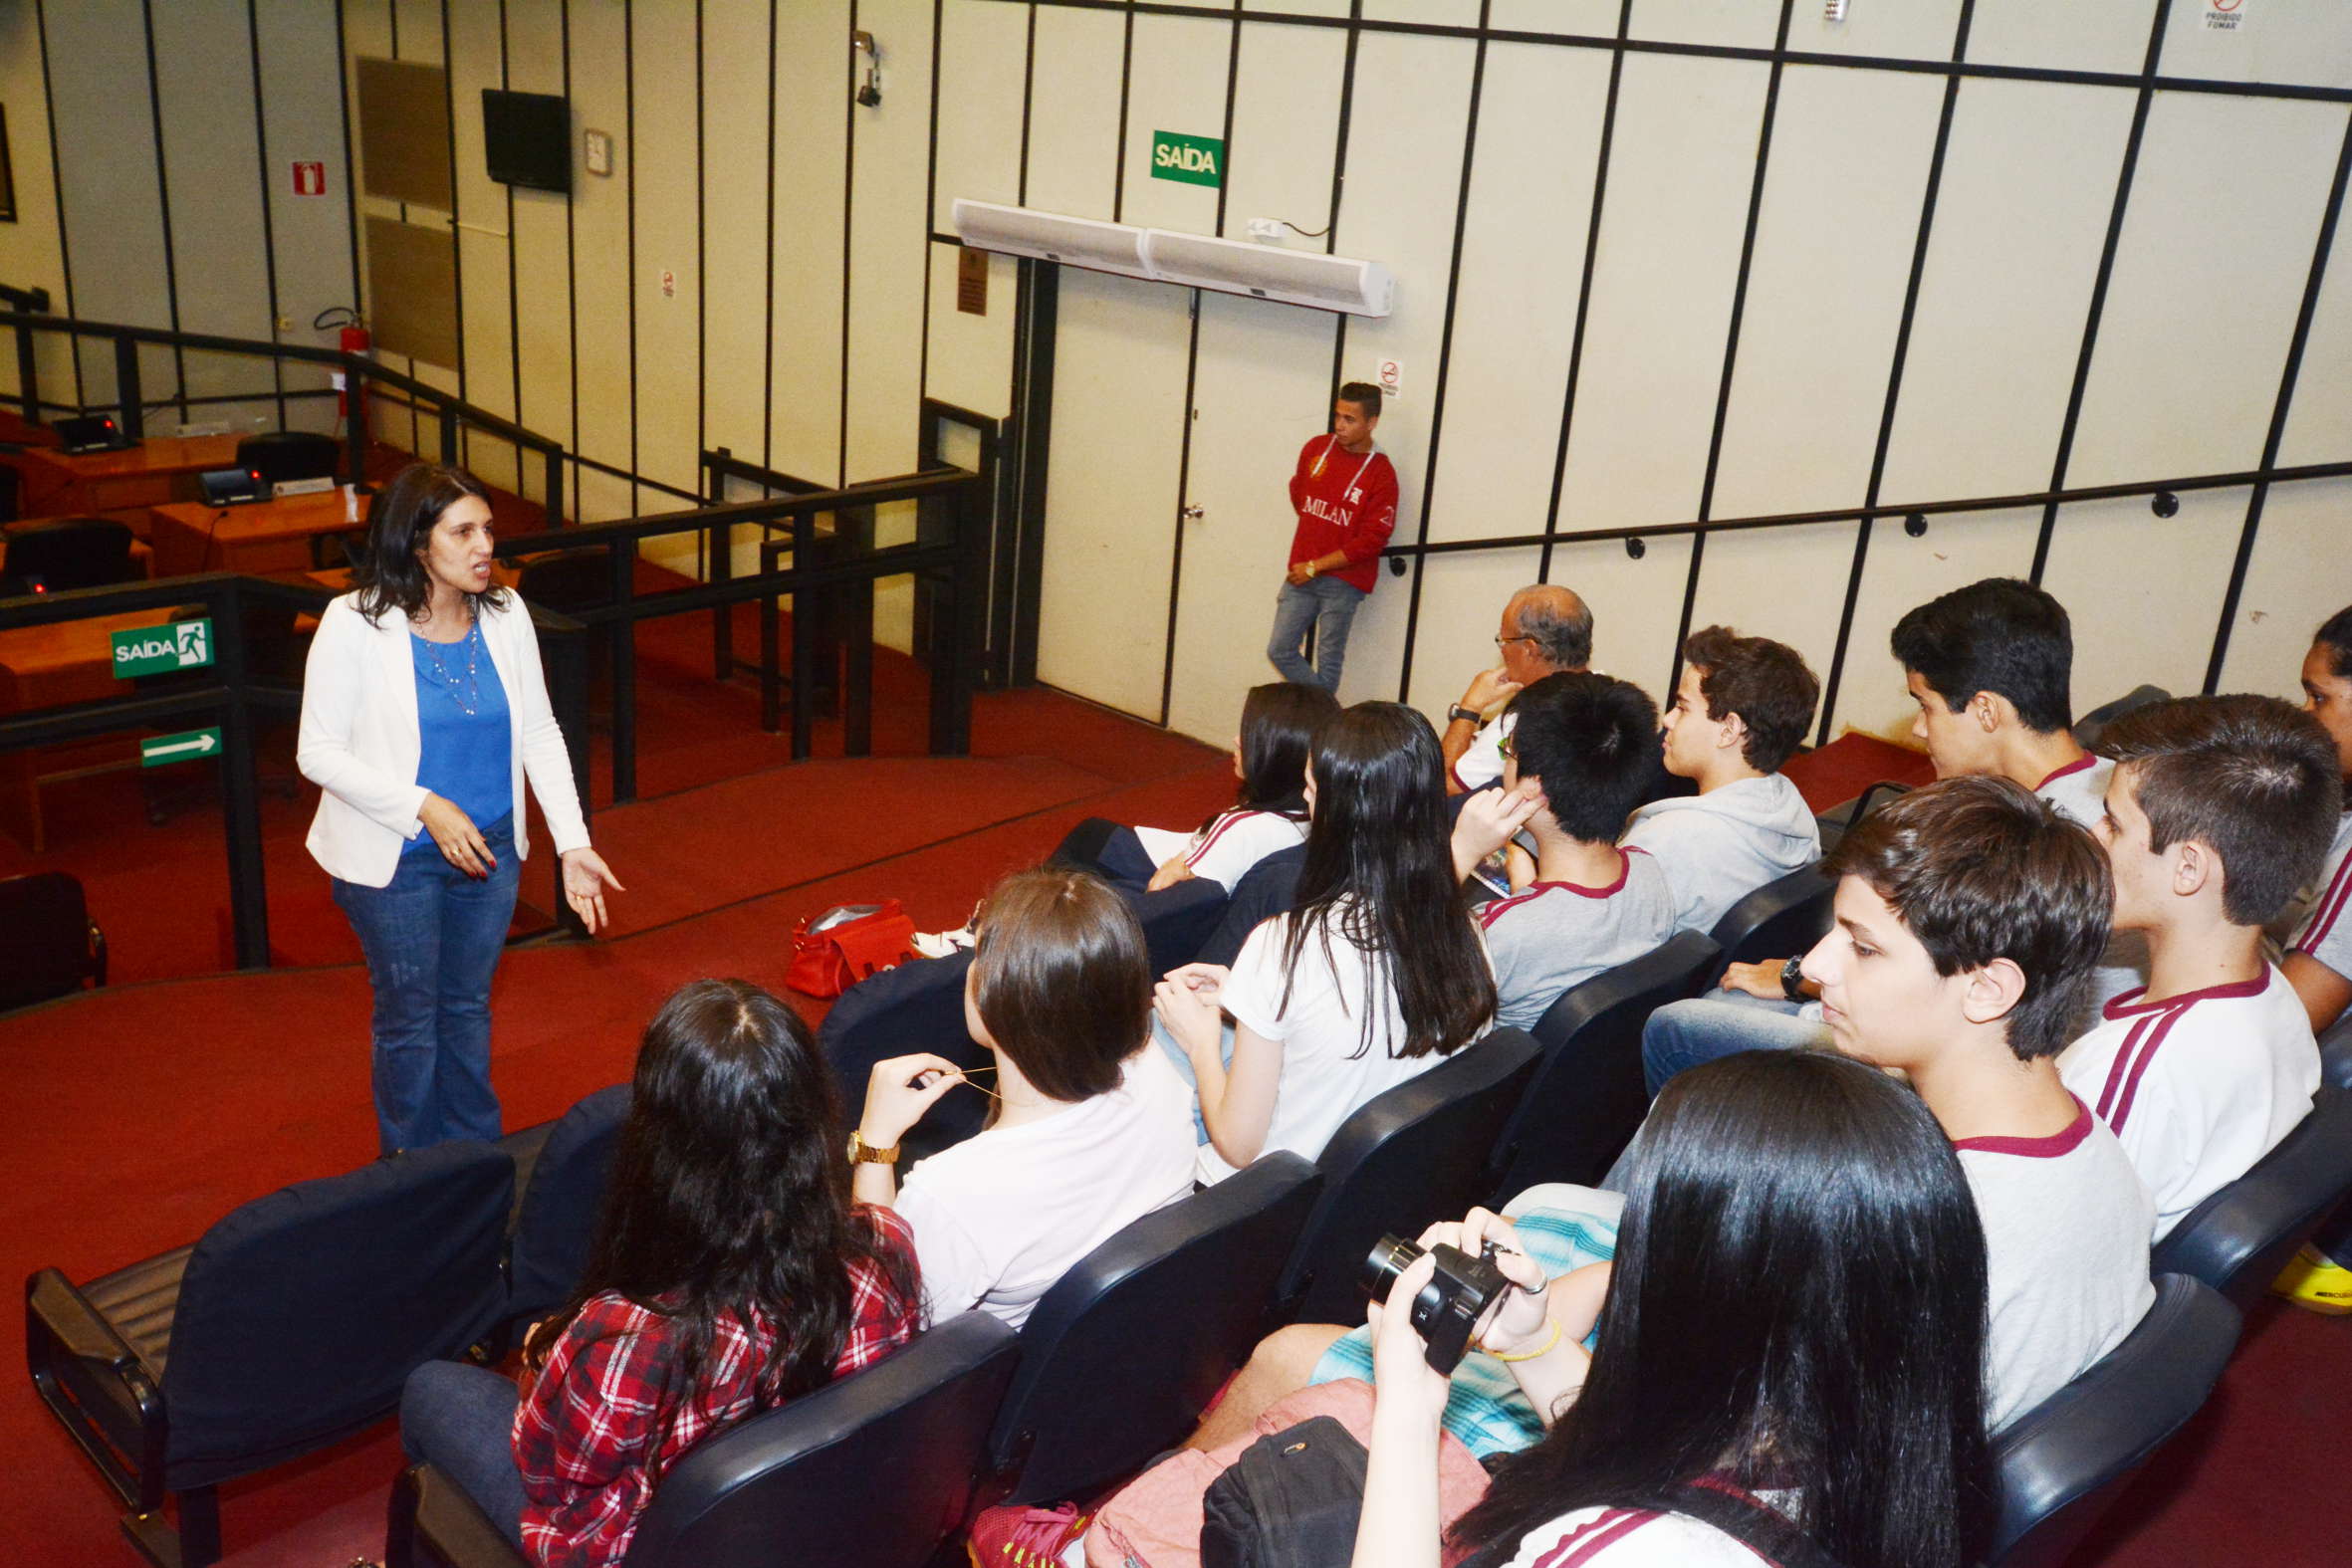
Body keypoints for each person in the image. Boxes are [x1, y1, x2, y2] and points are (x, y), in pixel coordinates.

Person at [1201, 777, 2149, 1456]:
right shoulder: (2076, 1138)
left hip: (1694, 1485)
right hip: (1773, 1420)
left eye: (1862, 947)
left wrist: (1532, 1344)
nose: (1814, 968)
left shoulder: (1899, 1233)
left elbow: (1690, 1477)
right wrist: (1549, 1307)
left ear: (1989, 987)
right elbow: (1718, 1273)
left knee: (1292, 1359)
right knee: (1538, 1224)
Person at [1349, 1051, 1995, 1568]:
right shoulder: (1881, 1456)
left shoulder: (1632, 1550)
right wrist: (1533, 1338)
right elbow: (1662, 1450)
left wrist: (1407, 1405)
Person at [396, 980, 922, 1567]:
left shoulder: (627, 1337)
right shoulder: (885, 1245)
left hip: (649, 1550)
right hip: (798, 1527)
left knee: (432, 1388)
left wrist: (545, 1363)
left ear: (662, 1139)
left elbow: (552, 1478)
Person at [1639, 576, 2137, 1094]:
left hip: (1972, 1072)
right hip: (1977, 1042)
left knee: (1677, 1028)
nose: (1919, 730)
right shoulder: (2104, 784)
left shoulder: (2045, 841)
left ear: (1987, 710)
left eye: (1926, 706)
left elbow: (1949, 1010)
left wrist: (1798, 982)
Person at [297, 463, 622, 1155]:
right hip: (396, 861)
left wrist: (572, 841)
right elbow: (316, 752)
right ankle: (412, 1167)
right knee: (411, 1022)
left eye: (489, 530)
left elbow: (539, 730)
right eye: (464, 531)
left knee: (467, 1009)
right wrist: (424, 806)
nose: (485, 547)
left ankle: (474, 1159)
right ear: (418, 543)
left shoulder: (507, 614)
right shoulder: (352, 623)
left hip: (493, 853)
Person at [1155, 702, 1497, 1183]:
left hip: (1254, 1202)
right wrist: (1246, 992)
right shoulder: (1469, 935)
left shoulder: (1284, 944)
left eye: (1313, 789)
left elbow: (1237, 1144)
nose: (1307, 802)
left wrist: (1201, 1044)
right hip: (1373, 1188)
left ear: (1339, 812)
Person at [847, 866, 1197, 1328]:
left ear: (995, 992)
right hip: (1130, 1331)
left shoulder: (951, 1194)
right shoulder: (1156, 1067)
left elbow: (878, 1321)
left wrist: (874, 1147)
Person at [2057, 696, 2337, 1238]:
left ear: (2188, 868)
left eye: (2114, 823)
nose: (2094, 836)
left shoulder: (2131, 1077)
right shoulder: (2275, 998)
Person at [1453, 673, 1677, 1031]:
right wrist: (1530, 888)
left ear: (1533, 786)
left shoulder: (1498, 933)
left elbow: (1388, 980)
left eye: (1507, 752)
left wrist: (1460, 853)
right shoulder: (1650, 871)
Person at [1620, 624, 1821, 934]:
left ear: (1729, 729)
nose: (1668, 719)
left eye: (1683, 708)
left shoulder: (1666, 840)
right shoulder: (1795, 814)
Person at [1050, 681, 1337, 892]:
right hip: (1177, 851)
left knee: (1083, 846)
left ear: (1278, 755)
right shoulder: (1304, 816)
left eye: (1250, 737)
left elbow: (1164, 895)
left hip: (1150, 882)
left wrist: (1176, 865)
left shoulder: (1245, 828)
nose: (1237, 740)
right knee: (1092, 833)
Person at [1267, 382, 1398, 693]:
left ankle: (1322, 727)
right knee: (1279, 649)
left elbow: (1373, 539)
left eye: (1350, 419)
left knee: (1328, 663)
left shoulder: (1381, 472)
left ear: (1372, 422)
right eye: (1337, 416)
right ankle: (1328, 714)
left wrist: (1318, 565)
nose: (1340, 425)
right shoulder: (1316, 449)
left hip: (1343, 582)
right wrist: (1309, 563)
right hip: (1302, 574)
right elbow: (1299, 494)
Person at [1442, 584, 1592, 795]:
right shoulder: (1613, 701)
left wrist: (1469, 708)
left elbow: (1441, 787)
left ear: (1529, 649)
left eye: (1504, 640)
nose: (1502, 649)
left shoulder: (1520, 721)